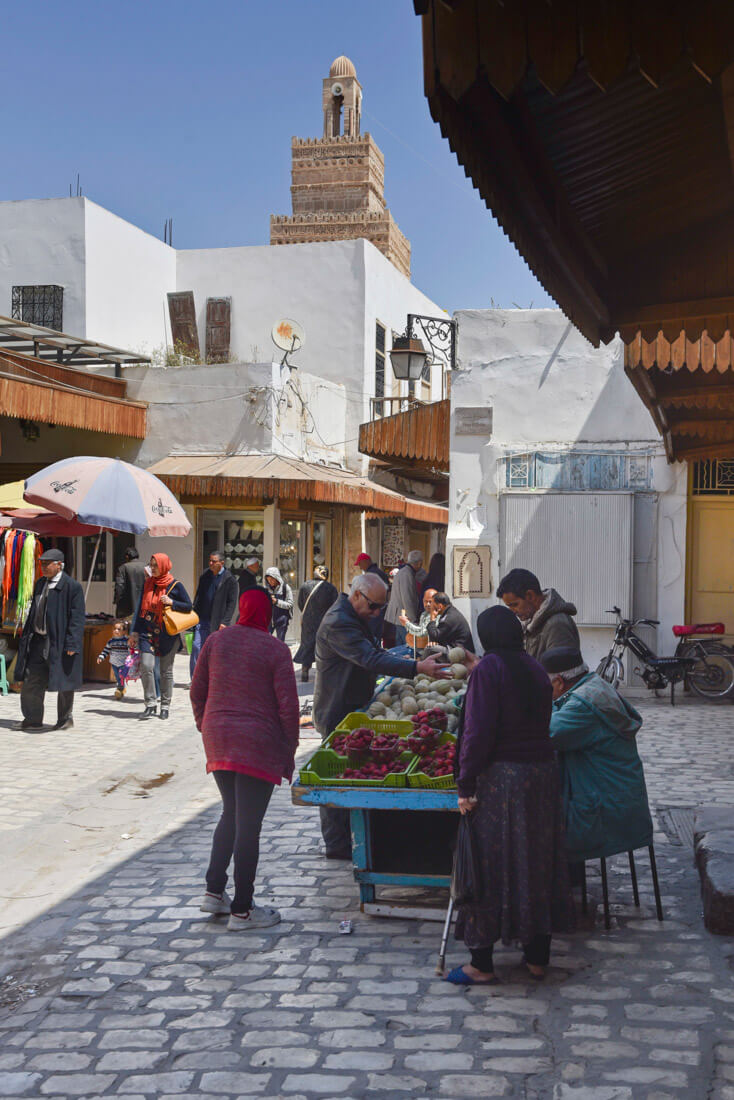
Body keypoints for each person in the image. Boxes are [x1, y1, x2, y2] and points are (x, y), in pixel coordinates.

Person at [447, 605, 574, 986]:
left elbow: (477, 732)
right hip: (541, 777)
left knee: (489, 863)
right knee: (536, 861)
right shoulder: (534, 667)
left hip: (503, 780)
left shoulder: (490, 669)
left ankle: (481, 964)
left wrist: (465, 785)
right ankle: (537, 959)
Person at [314, 572, 451, 858]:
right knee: (337, 777)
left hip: (354, 703)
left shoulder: (354, 616)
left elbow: (373, 653)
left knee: (355, 770)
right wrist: (416, 668)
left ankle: (356, 836)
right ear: (356, 596)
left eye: (380, 607)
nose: (377, 613)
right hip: (337, 707)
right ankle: (338, 845)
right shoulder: (338, 622)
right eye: (374, 607)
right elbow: (370, 658)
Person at [191, 587, 299, 930]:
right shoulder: (276, 649)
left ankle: (213, 892)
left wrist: (205, 723)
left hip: (218, 737)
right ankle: (242, 909)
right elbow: (289, 708)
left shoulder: (216, 642)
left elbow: (197, 690)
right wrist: (289, 749)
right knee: (248, 824)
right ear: (267, 614)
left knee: (232, 813)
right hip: (257, 742)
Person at [541, 646, 654, 864]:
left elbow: (545, 734)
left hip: (608, 808)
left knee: (535, 823)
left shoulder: (582, 705)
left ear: (559, 682)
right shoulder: (593, 685)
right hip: (619, 800)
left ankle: (555, 887)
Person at [13, 548, 85, 732]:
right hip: (38, 640)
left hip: (59, 642)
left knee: (64, 680)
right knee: (32, 679)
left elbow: (77, 619)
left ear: (59, 565)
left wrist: (72, 643)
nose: (43, 567)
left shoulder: (72, 587)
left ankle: (65, 719)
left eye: (47, 564)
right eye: (41, 563)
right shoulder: (40, 584)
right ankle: (32, 718)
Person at [130, 552, 192, 721]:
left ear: (164, 566)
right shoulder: (147, 583)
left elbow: (188, 606)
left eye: (156, 565)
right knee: (146, 666)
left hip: (167, 634)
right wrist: (134, 632)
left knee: (166, 671)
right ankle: (150, 703)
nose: (153, 568)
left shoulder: (175, 585)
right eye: (151, 565)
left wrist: (172, 602)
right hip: (146, 632)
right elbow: (139, 610)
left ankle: (165, 705)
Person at [497, 568, 580, 660]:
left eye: (515, 605)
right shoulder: (531, 621)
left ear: (530, 596)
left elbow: (561, 671)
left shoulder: (557, 625)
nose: (512, 611)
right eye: (509, 607)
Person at [190, 551, 239, 676]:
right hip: (202, 619)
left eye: (214, 561)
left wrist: (225, 622)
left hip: (217, 622)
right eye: (210, 560)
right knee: (196, 647)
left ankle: (213, 677)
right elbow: (198, 597)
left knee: (214, 651)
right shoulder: (205, 576)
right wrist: (193, 615)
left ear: (222, 563)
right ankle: (195, 678)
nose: (211, 563)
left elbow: (232, 603)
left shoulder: (230, 580)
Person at [294, 566, 338, 682]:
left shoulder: (304, 586)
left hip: (308, 621)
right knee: (322, 646)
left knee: (307, 645)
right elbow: (334, 606)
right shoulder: (330, 588)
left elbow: (300, 603)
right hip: (324, 622)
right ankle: (321, 673)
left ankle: (304, 671)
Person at [385, 550, 423, 646]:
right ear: (419, 563)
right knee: (406, 645)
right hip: (403, 616)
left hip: (399, 616)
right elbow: (408, 599)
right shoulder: (407, 574)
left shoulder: (404, 572)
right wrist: (413, 619)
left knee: (400, 643)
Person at [355, 553, 390, 643]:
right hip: (380, 608)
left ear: (366, 562)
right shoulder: (379, 572)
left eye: (360, 564)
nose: (360, 567)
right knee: (376, 635)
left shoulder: (372, 574)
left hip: (374, 609)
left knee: (372, 635)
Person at [395, 588, 437, 656]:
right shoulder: (424, 614)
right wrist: (409, 622)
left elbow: (422, 633)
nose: (428, 604)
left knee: (393, 655)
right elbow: (420, 628)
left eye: (430, 601)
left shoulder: (436, 615)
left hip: (421, 651)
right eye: (426, 601)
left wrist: (407, 624)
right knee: (388, 653)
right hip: (413, 647)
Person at [97, 619, 131, 699]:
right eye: (114, 629)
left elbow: (131, 650)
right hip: (114, 662)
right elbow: (106, 650)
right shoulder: (111, 641)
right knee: (117, 676)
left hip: (124, 663)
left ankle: (120, 689)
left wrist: (131, 658)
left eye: (119, 629)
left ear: (124, 631)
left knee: (121, 676)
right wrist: (101, 657)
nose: (116, 631)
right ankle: (121, 688)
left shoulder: (127, 641)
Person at [114, 546, 147, 619]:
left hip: (126, 608)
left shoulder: (123, 568)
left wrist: (116, 600)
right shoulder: (146, 567)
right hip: (144, 606)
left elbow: (119, 587)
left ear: (127, 556)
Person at [264, 567, 294, 642]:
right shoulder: (265, 588)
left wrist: (277, 602)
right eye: (268, 580)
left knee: (280, 643)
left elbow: (290, 604)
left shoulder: (285, 588)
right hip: (268, 620)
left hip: (282, 619)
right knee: (265, 642)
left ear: (276, 578)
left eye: (272, 579)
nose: (270, 582)